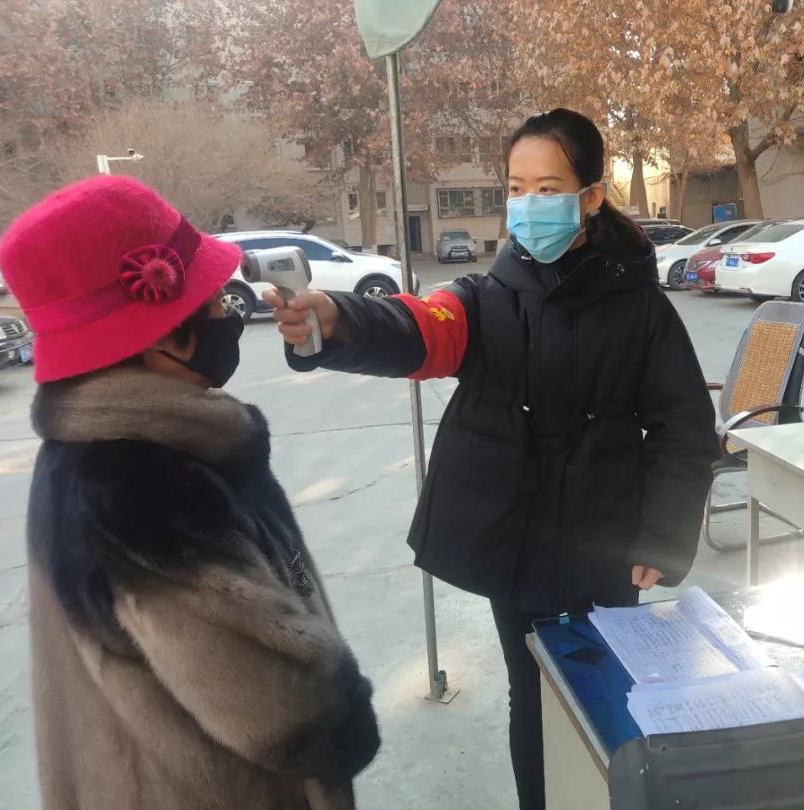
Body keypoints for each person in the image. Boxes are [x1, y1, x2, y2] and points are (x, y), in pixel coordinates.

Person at [268, 108, 718, 810]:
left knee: (610, 689)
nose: (528, 204)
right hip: (519, 546)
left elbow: (683, 425)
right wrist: (339, 318)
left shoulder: (641, 308)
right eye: (516, 188)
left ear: (591, 197)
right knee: (530, 692)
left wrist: (663, 533)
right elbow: (421, 327)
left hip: (608, 545)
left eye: (548, 188)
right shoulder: (486, 299)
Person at [0, 175, 380, 810]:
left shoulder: (86, 452)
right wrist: (348, 716)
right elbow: (288, 709)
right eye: (214, 300)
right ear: (160, 332)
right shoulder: (145, 489)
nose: (228, 314)